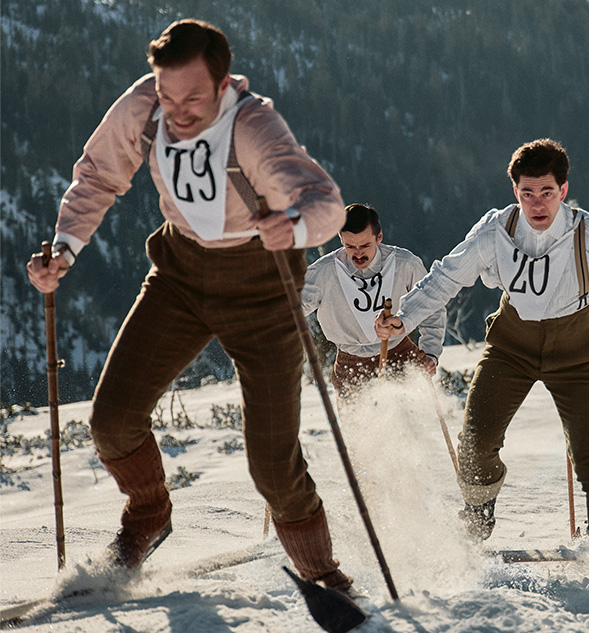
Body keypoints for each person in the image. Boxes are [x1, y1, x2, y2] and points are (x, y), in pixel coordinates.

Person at [25, 20, 352, 590]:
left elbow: (325, 204)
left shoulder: (252, 127)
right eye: (167, 93)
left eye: (193, 96)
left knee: (273, 467)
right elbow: (100, 172)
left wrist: (294, 225)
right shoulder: (145, 107)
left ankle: (325, 579)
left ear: (223, 84)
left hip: (261, 289)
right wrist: (65, 248)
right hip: (179, 274)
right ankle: (149, 515)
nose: (176, 109)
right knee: (112, 421)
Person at [374, 139, 589, 581]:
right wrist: (403, 319)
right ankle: (479, 513)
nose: (537, 204)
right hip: (512, 344)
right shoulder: (494, 232)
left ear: (564, 189)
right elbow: (446, 277)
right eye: (527, 193)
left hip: (576, 350)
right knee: (475, 441)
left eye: (547, 193)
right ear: (515, 192)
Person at [303, 203, 445, 401]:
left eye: (365, 246)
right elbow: (291, 309)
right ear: (341, 240)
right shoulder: (323, 273)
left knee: (411, 424)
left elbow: (431, 306)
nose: (358, 254)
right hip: (350, 363)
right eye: (350, 246)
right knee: (361, 429)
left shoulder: (405, 264)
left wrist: (430, 352)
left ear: (379, 237)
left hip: (400, 354)